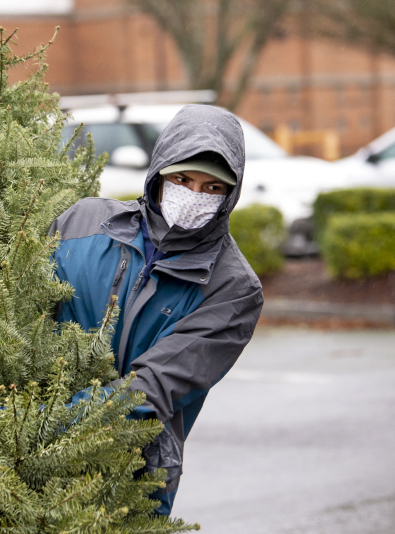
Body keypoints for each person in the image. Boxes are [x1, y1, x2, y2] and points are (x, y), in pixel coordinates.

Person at [50, 104, 263, 515]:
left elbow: (150, 390)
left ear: (230, 194)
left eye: (212, 187)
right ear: (159, 173)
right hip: (12, 451)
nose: (194, 195)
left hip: (133, 473)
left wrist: (40, 426)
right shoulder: (82, 223)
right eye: (183, 179)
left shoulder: (233, 289)